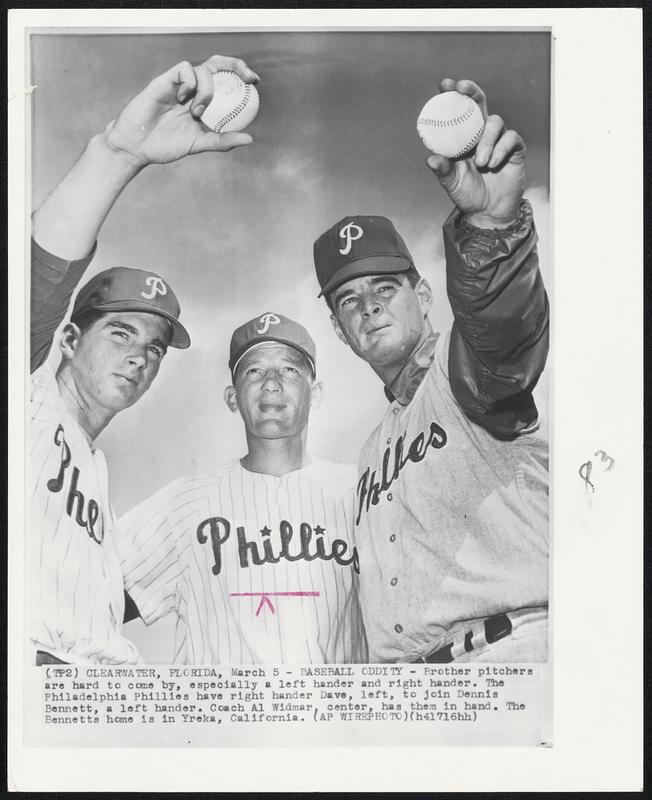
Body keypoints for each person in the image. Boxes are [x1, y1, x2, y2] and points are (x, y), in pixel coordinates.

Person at [30, 54, 259, 665]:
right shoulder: (26, 397)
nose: (139, 357)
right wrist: (118, 154)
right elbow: (38, 276)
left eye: (153, 348)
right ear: (70, 341)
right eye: (121, 332)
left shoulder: (94, 472)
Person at [312, 78, 549, 664]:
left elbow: (499, 324)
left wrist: (493, 231)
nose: (368, 305)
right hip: (415, 698)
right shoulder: (371, 453)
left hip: (509, 656)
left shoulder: (465, 368)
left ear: (422, 296)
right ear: (341, 332)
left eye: (384, 287)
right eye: (348, 300)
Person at [116, 312, 366, 664]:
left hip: (331, 717)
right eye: (254, 370)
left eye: (290, 369)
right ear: (232, 398)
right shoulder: (186, 503)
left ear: (318, 392)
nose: (272, 383)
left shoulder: (361, 492)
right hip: (225, 717)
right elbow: (88, 597)